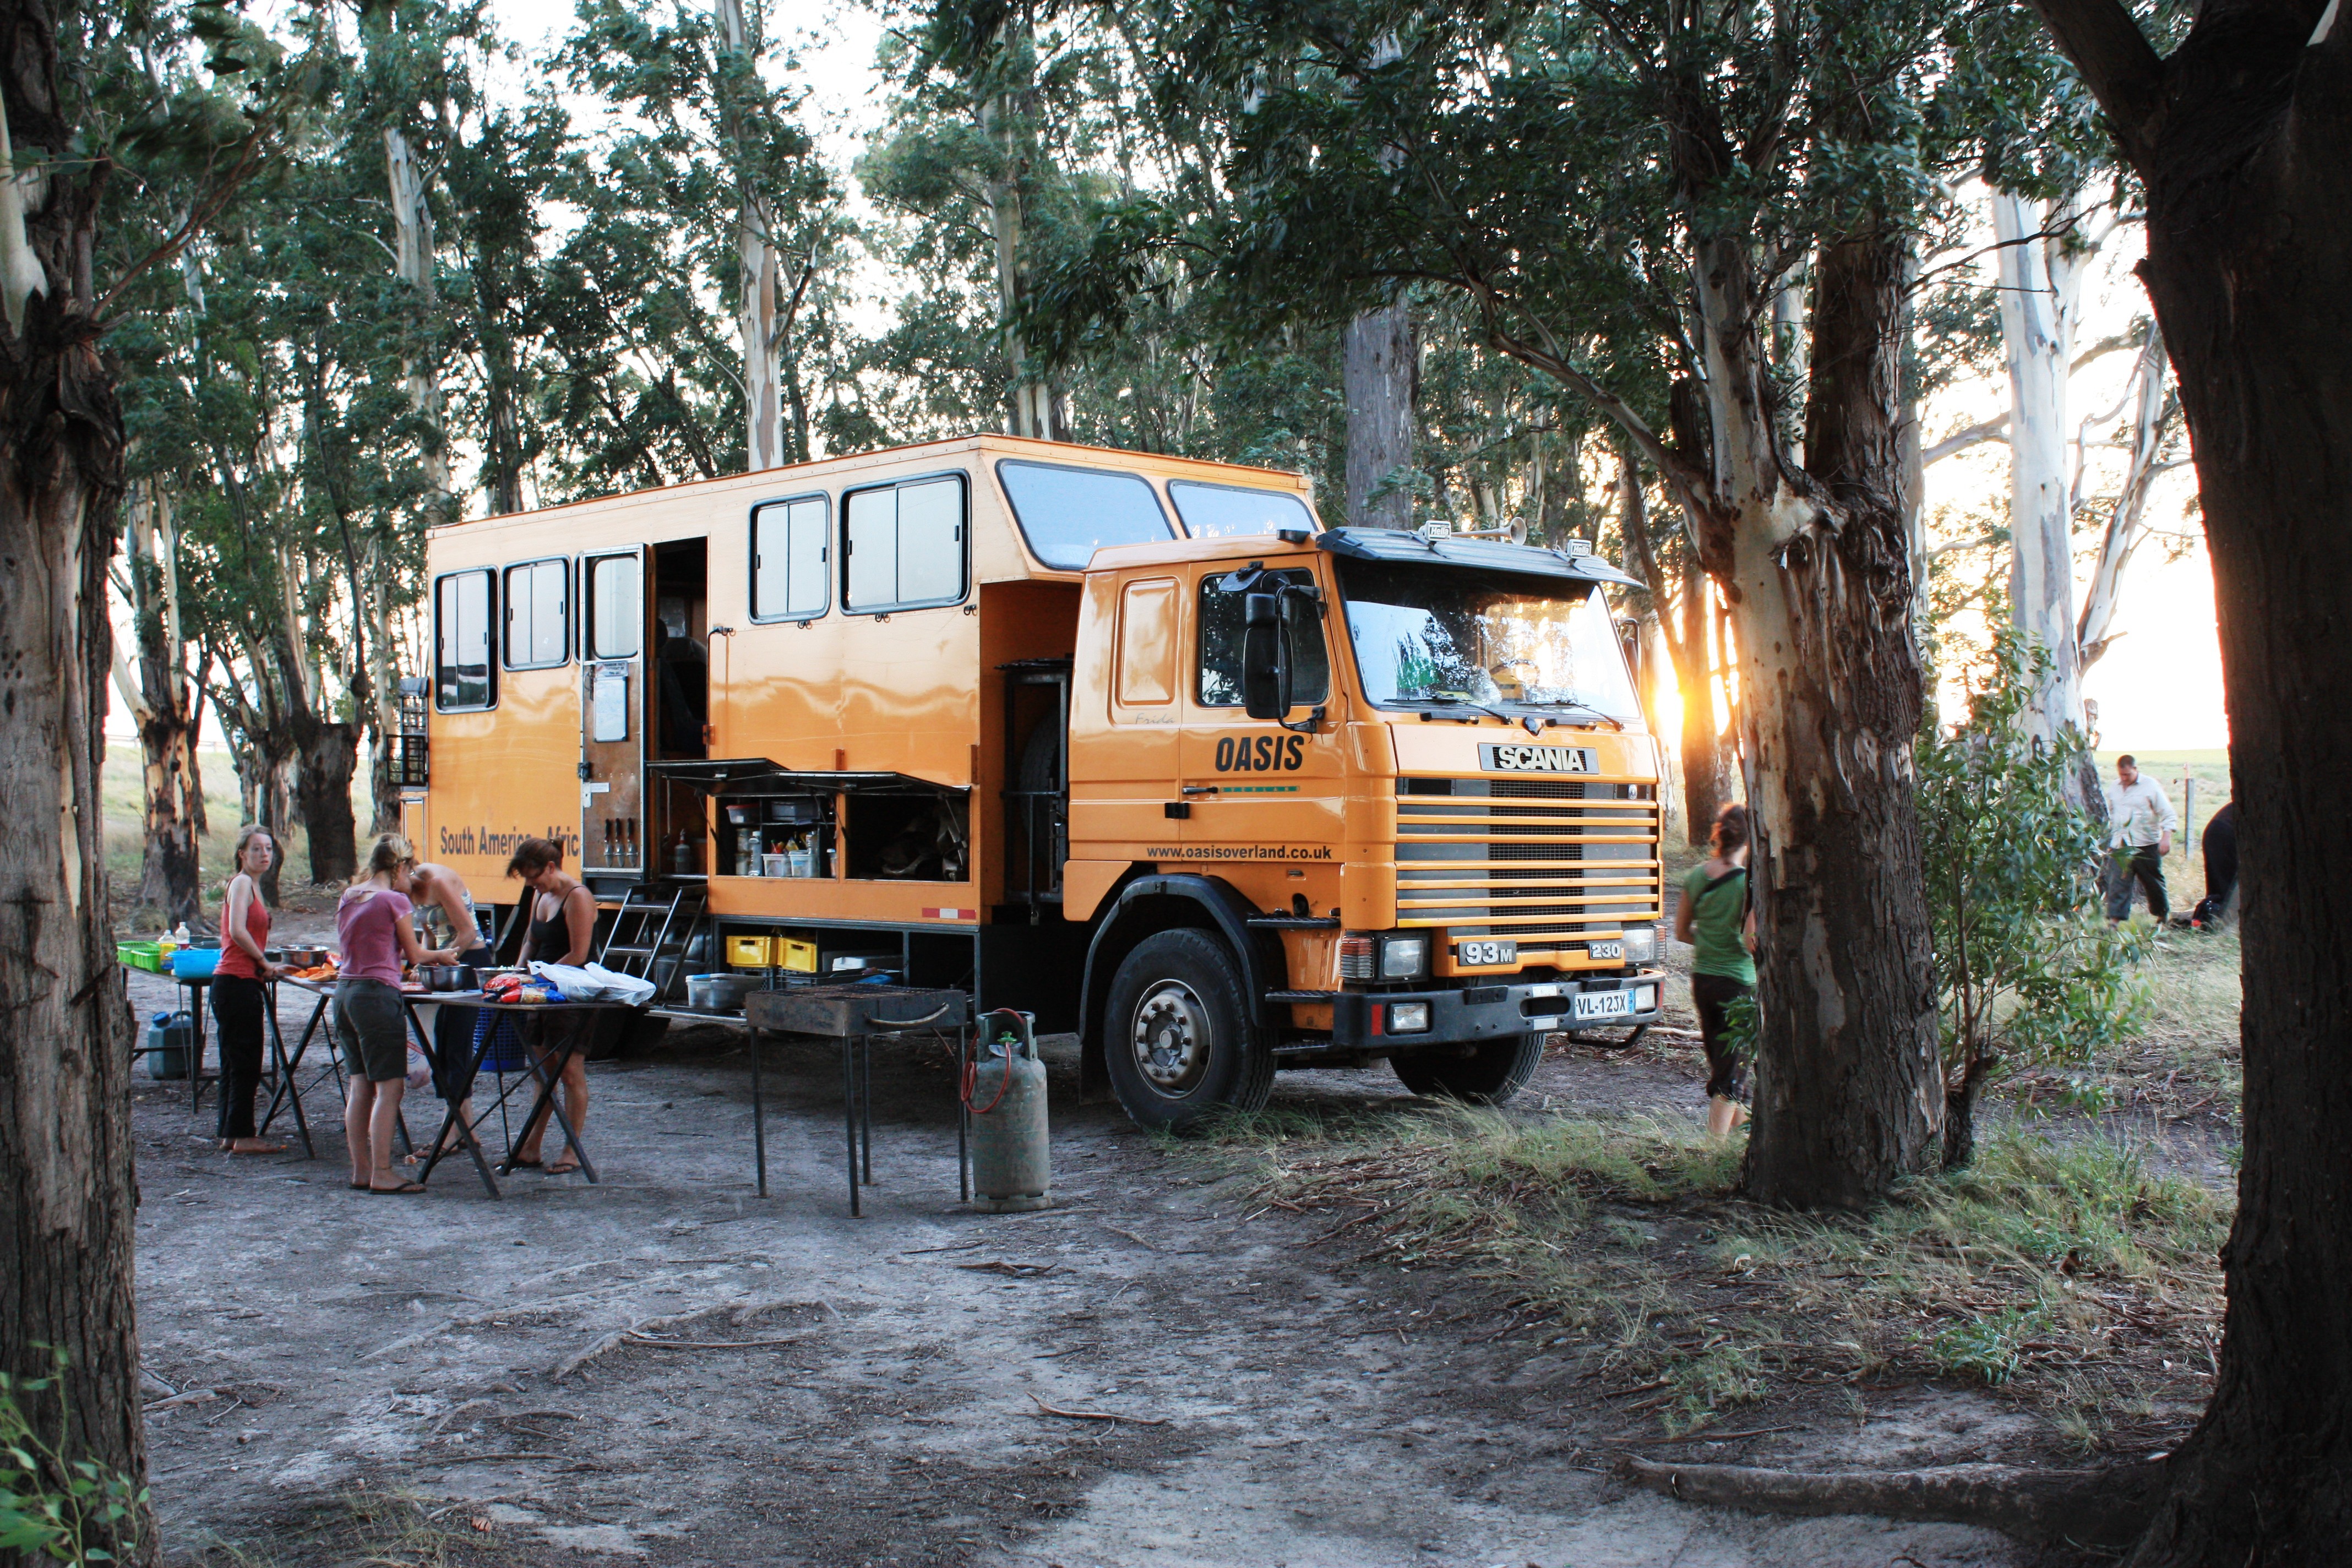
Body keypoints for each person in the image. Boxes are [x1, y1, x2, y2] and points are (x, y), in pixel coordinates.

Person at [335, 835, 458, 1194]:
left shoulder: (350, 895)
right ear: (399, 867)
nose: (411, 878)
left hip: (344, 994)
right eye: (410, 870)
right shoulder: (394, 900)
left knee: (360, 1085)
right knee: (390, 1088)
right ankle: (384, 1172)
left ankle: (361, 1170)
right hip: (376, 997)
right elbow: (416, 955)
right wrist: (443, 955)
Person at [506, 837, 599, 1175]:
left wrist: (540, 979)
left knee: (570, 1073)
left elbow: (578, 954)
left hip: (570, 995)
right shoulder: (539, 894)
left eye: (535, 878)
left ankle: (571, 1151)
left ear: (550, 867)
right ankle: (531, 1147)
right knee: (542, 1073)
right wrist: (516, 975)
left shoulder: (578, 896)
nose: (532, 885)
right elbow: (531, 940)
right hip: (542, 992)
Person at [1674, 803, 1760, 1137]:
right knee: (1732, 1076)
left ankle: (1743, 1143)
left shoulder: (1697, 876)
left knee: (1727, 1068)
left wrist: (1712, 941)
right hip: (1738, 985)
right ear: (1751, 839)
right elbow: (1751, 942)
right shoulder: (1748, 884)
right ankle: (1713, 1149)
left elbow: (1682, 932)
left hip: (1704, 983)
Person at [404, 861, 492, 1161]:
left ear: (404, 870)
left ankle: (450, 1132)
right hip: (445, 963)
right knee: (443, 1044)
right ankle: (467, 1128)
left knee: (455, 1045)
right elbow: (429, 932)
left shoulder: (437, 882)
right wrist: (422, 960)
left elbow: (467, 932)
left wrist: (441, 960)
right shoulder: (408, 889)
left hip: (467, 962)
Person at [211, 825, 284, 1155]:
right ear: (242, 854)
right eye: (256, 849)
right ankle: (243, 1136)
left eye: (268, 848)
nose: (264, 854)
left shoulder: (254, 886)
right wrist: (263, 962)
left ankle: (229, 1132)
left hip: (240, 981)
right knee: (245, 1061)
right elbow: (237, 931)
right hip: (236, 982)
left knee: (233, 1060)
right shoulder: (241, 883)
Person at [2104, 754, 2178, 922]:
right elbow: (2113, 813)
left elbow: (2168, 813)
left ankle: (2162, 916)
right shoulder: (2114, 787)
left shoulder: (2150, 786)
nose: (2124, 778)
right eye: (2121, 775)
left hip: (2146, 844)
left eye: (2127, 775)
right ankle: (2114, 923)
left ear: (2135, 769)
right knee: (2118, 883)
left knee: (2153, 883)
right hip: (2121, 844)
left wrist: (2166, 838)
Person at [2191, 799, 2239, 929]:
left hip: (2221, 831)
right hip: (2223, 834)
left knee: (2222, 887)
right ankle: (2217, 923)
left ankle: (2214, 920)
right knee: (2224, 889)